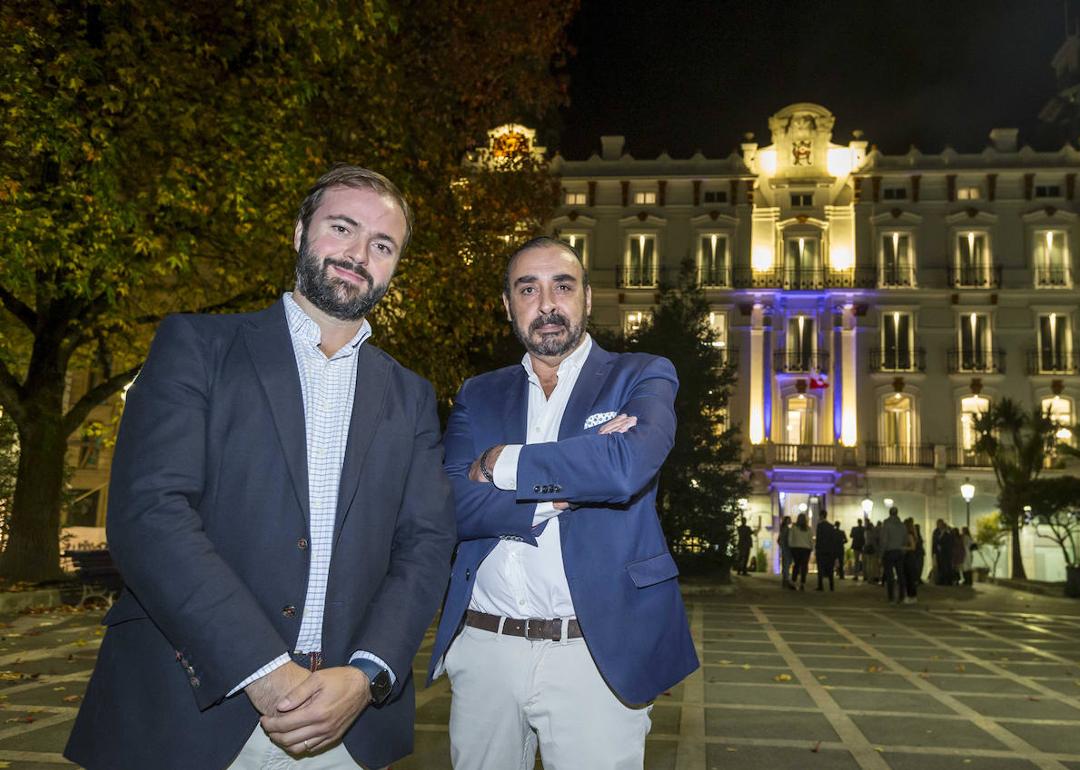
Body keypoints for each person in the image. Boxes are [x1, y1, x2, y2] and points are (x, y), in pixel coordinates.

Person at [65, 166, 457, 770]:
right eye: (342, 228)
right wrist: (264, 669)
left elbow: (426, 545)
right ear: (300, 232)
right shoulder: (196, 346)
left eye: (382, 245)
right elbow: (150, 515)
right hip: (188, 708)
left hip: (344, 724)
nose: (358, 254)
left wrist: (367, 673)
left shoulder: (410, 396)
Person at [426, 237, 698, 769]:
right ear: (508, 305)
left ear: (588, 299)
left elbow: (624, 470)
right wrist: (568, 484)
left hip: (594, 653)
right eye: (528, 288)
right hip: (485, 647)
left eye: (563, 286)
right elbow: (449, 504)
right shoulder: (479, 393)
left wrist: (499, 462)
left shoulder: (641, 375)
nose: (547, 303)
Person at [878, 506, 907, 604]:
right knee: (901, 575)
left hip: (889, 551)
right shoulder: (902, 525)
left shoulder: (886, 524)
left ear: (889, 513)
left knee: (890, 576)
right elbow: (905, 539)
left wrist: (881, 555)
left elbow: (884, 540)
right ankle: (902, 596)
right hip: (899, 551)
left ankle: (891, 597)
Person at [788, 513, 813, 590]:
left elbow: (790, 538)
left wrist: (791, 546)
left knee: (796, 565)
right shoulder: (808, 529)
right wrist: (811, 547)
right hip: (806, 549)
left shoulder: (794, 527)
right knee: (804, 566)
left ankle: (793, 581)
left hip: (796, 548)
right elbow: (810, 540)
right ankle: (802, 583)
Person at [814, 512, 837, 591]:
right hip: (830, 551)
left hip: (821, 550)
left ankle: (821, 586)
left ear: (821, 516)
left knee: (820, 569)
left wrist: (816, 549)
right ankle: (831, 586)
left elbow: (819, 539)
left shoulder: (820, 526)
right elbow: (833, 540)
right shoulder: (831, 526)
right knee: (830, 569)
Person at [902, 518, 920, 604]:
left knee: (909, 577)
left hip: (909, 557)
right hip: (909, 557)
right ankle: (911, 596)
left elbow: (913, 547)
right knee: (908, 577)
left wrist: (903, 548)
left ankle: (912, 596)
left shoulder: (910, 535)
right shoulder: (911, 534)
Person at [779, 516, 794, 589]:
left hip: (784, 549)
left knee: (785, 564)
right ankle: (786, 580)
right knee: (787, 564)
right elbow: (786, 540)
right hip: (787, 549)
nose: (790, 521)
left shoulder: (783, 529)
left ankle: (784, 580)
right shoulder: (786, 529)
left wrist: (781, 546)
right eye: (789, 520)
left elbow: (779, 540)